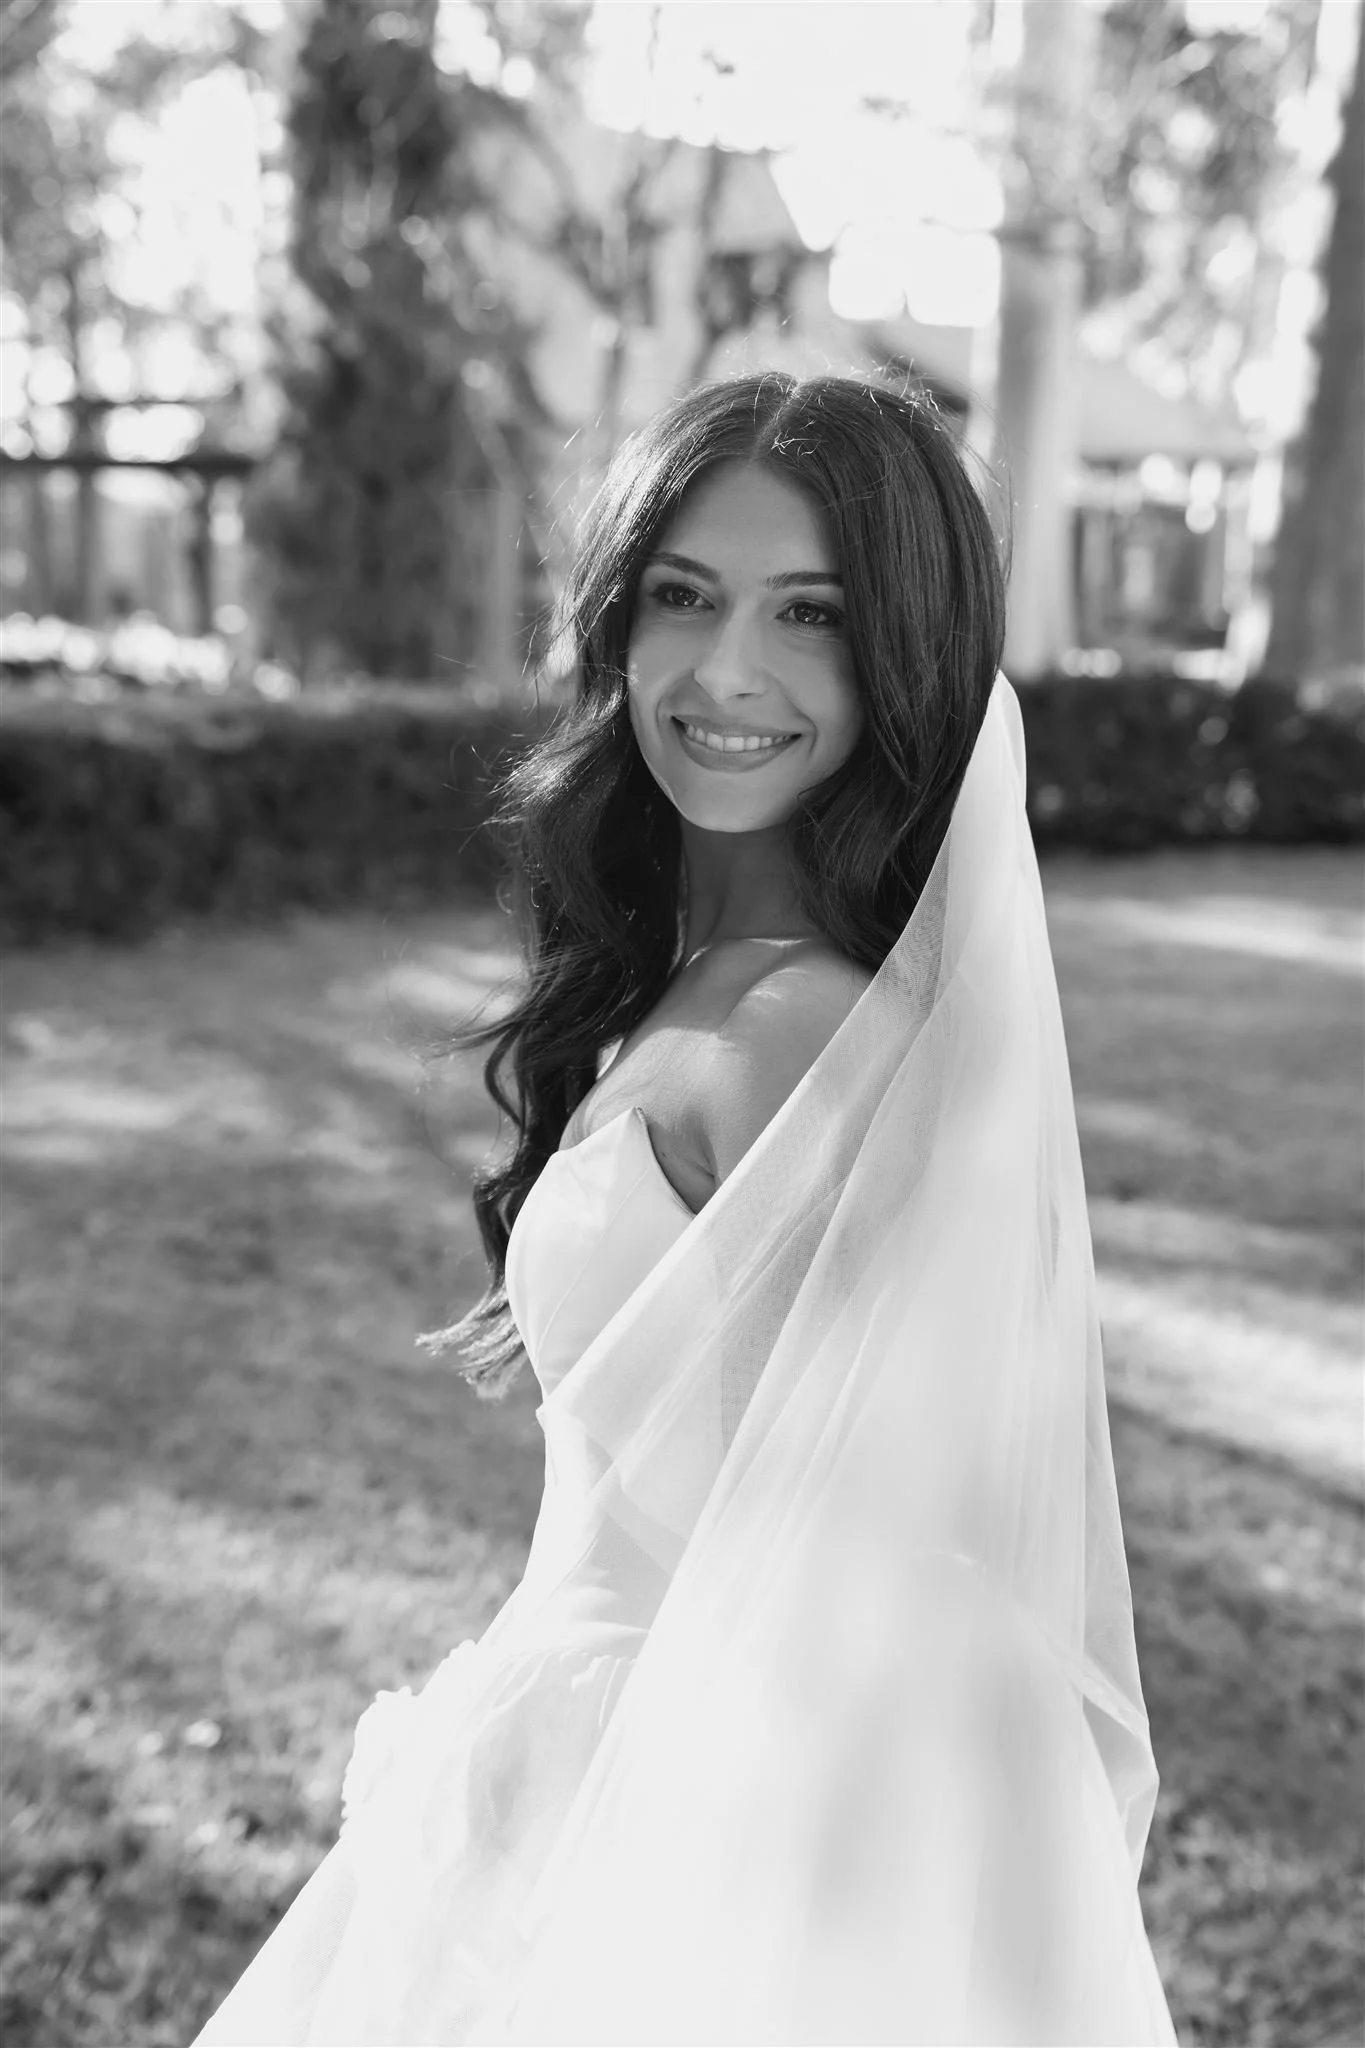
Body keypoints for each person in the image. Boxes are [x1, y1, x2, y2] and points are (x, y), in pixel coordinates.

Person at [193, 372, 1177, 2046]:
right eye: (686, 598)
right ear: (620, 617)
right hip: (579, 1745)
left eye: (815, 617)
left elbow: (887, 1565)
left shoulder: (804, 1031)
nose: (729, 675)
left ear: (909, 658)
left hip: (691, 1820)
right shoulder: (711, 985)